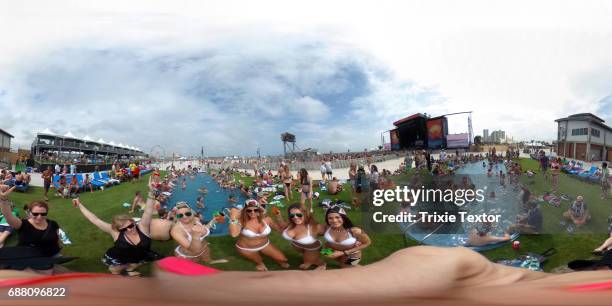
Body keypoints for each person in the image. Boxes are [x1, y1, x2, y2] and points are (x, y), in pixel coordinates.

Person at [73, 185, 159, 276]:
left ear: (133, 221)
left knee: (139, 261)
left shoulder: (143, 227)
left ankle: (130, 269)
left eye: (130, 226)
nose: (129, 230)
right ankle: (122, 271)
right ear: (118, 230)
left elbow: (148, 210)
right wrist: (79, 205)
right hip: (121, 257)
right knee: (114, 270)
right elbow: (95, 220)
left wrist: (152, 190)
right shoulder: (115, 232)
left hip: (140, 255)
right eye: (124, 229)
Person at [0, 186, 63, 274]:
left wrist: (59, 247)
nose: (39, 217)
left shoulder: (53, 223)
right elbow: (8, 216)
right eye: (35, 214)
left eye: (43, 214)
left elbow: (58, 237)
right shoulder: (23, 224)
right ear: (29, 213)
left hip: (52, 255)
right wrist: (3, 199)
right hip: (28, 257)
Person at [228, 200, 289, 271]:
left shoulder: (267, 219)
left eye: (255, 210)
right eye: (249, 210)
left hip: (265, 245)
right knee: (259, 260)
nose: (252, 212)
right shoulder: (241, 222)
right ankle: (260, 263)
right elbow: (234, 234)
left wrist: (279, 216)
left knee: (283, 259)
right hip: (247, 249)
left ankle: (279, 261)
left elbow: (279, 230)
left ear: (259, 210)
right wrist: (233, 217)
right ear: (245, 211)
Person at [279, 204, 326, 270]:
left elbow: (330, 235)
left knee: (308, 262)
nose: (295, 217)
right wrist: (279, 216)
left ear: (305, 214)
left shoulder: (314, 227)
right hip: (301, 248)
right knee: (306, 262)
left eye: (299, 215)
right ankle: (309, 260)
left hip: (312, 249)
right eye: (292, 215)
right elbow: (283, 226)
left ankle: (322, 264)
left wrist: (331, 252)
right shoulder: (291, 223)